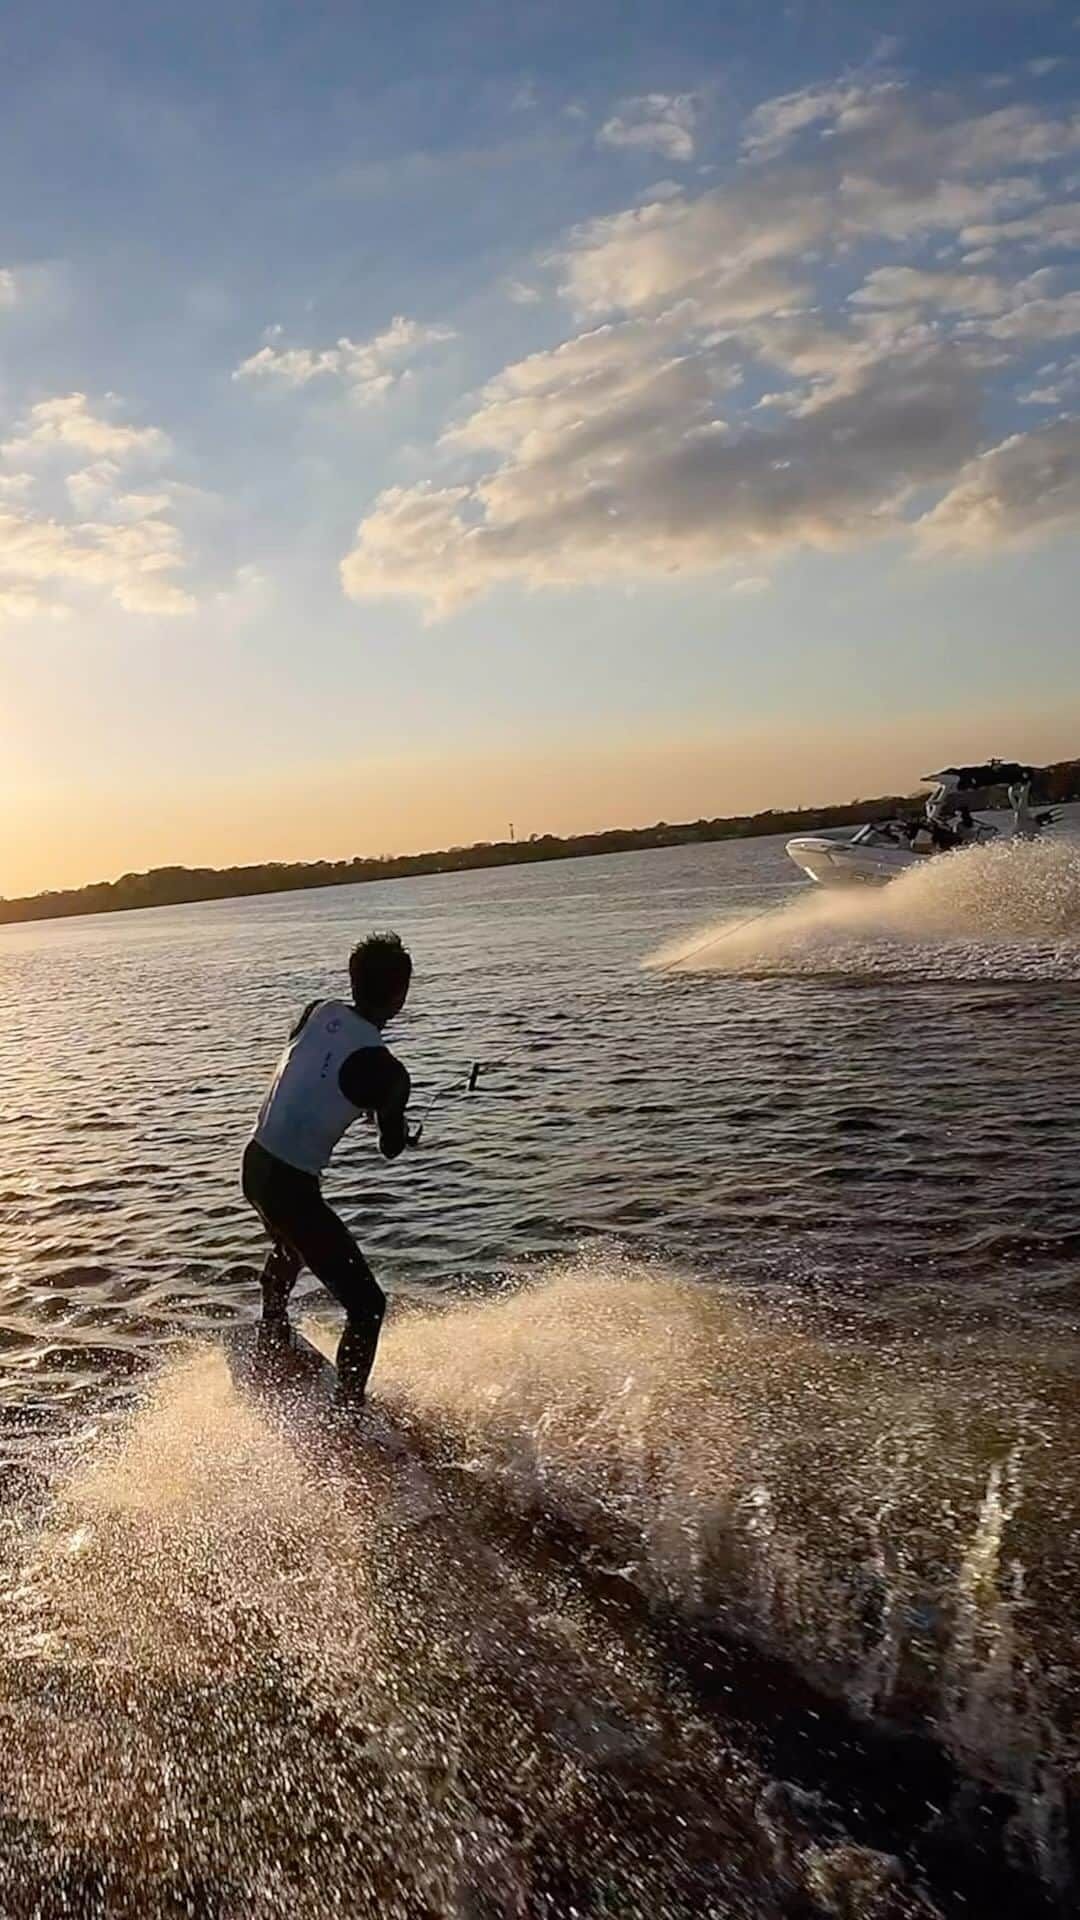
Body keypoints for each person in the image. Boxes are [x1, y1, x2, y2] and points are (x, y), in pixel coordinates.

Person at [241, 930, 415, 1404]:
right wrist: (390, 1113)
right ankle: (347, 1411)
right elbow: (391, 1148)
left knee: (291, 1242)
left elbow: (310, 1066)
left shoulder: (318, 1010)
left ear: (353, 982)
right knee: (368, 1307)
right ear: (400, 995)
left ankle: (272, 1328)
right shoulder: (389, 1072)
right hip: (291, 1186)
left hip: (254, 1164)